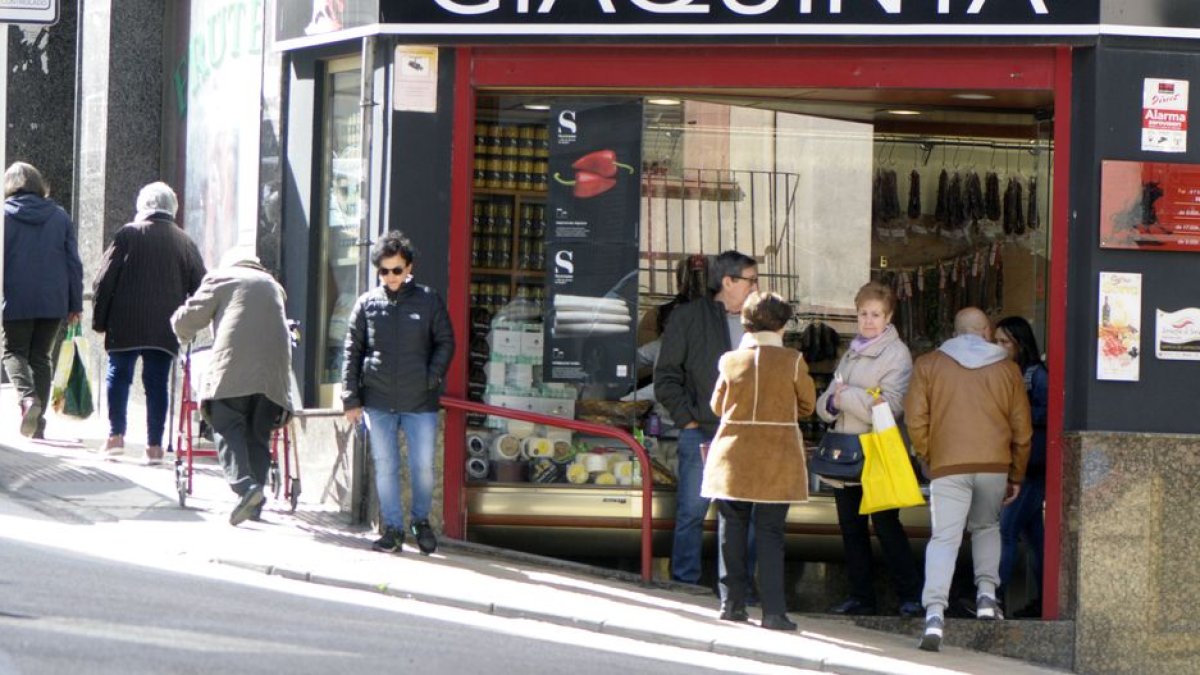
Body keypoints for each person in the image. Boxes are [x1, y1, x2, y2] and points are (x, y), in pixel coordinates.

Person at [904, 307, 1032, 652]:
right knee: (987, 528)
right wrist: (1016, 472)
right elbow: (1022, 429)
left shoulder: (929, 364)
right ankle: (988, 597)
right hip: (994, 464)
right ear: (986, 332)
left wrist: (929, 455)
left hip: (948, 465)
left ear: (954, 331)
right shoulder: (1008, 370)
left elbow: (915, 420)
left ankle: (934, 614)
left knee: (944, 538)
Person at [701, 291, 816, 631]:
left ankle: (731, 605)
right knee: (770, 535)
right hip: (776, 459)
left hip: (732, 457)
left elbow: (717, 407)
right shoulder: (792, 360)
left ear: (745, 322)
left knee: (731, 531)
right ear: (781, 325)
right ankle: (774, 613)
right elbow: (808, 404)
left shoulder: (729, 360)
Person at [342, 231, 455, 555]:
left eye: (396, 270)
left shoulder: (429, 300)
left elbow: (446, 342)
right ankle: (392, 529)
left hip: (420, 401)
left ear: (409, 268)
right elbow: (352, 350)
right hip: (377, 401)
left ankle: (420, 521)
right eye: (384, 271)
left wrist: (430, 379)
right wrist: (351, 399)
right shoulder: (366, 304)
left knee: (422, 466)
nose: (390, 277)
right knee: (385, 464)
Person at [816, 281, 923, 618]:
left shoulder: (897, 354)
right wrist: (842, 399)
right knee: (851, 530)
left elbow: (890, 408)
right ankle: (860, 597)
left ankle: (911, 596)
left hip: (877, 452)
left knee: (887, 527)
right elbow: (823, 404)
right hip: (846, 453)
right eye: (863, 314)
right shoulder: (851, 351)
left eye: (876, 314)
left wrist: (844, 396)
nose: (868, 320)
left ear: (889, 316)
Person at [171, 248, 295, 526]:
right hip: (273, 375)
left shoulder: (223, 277)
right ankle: (255, 503)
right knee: (258, 433)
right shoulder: (274, 286)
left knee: (226, 423)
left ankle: (244, 487)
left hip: (234, 367)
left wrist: (180, 329)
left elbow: (190, 318)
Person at [655, 249, 758, 584]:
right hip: (701, 431)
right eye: (751, 280)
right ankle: (685, 582)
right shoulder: (688, 317)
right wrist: (688, 420)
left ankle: (738, 589)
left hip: (745, 433)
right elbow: (666, 376)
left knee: (743, 516)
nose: (756, 287)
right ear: (727, 281)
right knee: (690, 514)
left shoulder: (758, 321)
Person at [93, 182, 206, 463]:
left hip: (125, 321)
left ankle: (115, 437)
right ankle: (154, 447)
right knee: (156, 383)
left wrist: (100, 320)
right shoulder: (185, 241)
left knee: (118, 375)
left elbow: (103, 280)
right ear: (172, 207)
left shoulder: (128, 234)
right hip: (165, 326)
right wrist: (189, 323)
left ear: (142, 206)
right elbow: (202, 287)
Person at [2, 161, 82, 438]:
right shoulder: (59, 216)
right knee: (41, 357)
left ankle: (27, 399)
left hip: (14, 298)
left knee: (13, 352)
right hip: (53, 300)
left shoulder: (4, 215)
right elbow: (74, 263)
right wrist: (75, 304)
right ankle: (38, 425)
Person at [994, 316, 1048, 618]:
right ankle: (1045, 599)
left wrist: (1019, 411)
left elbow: (1050, 411)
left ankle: (995, 597)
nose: (999, 347)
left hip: (1030, 465)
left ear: (1019, 343)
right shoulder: (1008, 372)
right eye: (996, 341)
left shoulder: (1036, 374)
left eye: (1005, 342)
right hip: (1018, 461)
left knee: (1006, 530)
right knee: (1034, 536)